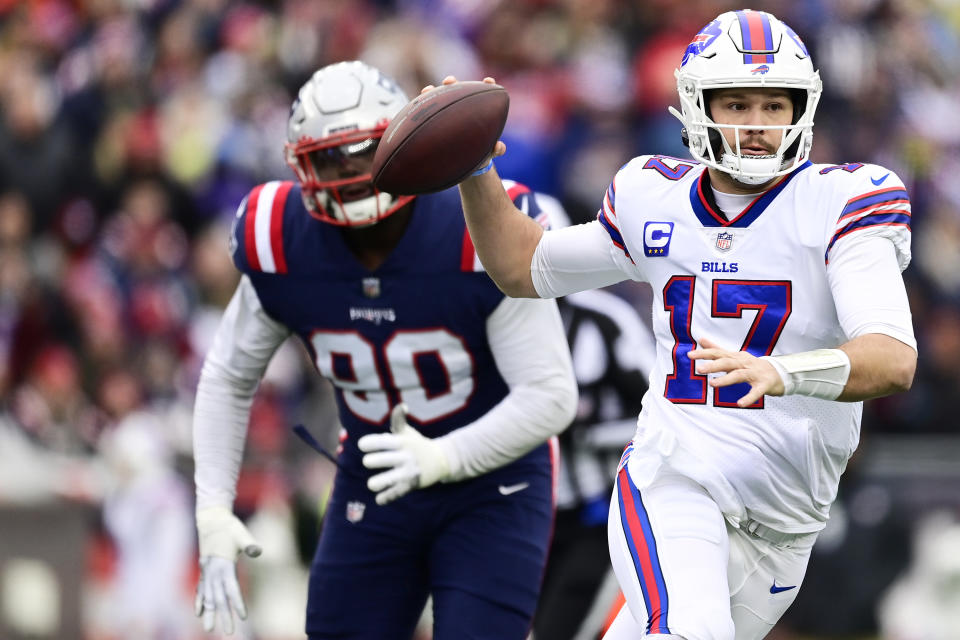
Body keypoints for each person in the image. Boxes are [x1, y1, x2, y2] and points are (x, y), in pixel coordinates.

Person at [440, 9, 918, 640]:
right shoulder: (651, 195)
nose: (755, 125)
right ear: (697, 107)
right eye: (737, 103)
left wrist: (781, 373)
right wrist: (476, 170)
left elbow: (893, 358)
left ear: (802, 110)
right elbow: (524, 266)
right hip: (675, 479)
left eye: (775, 105)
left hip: (784, 526)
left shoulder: (844, 201)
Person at [191, 61, 578, 639]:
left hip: (494, 484)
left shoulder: (477, 226)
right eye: (330, 156)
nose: (348, 172)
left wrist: (443, 457)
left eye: (365, 151)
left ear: (402, 145)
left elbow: (551, 397)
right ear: (301, 164)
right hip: (375, 476)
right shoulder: (281, 239)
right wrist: (213, 509)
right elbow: (227, 376)